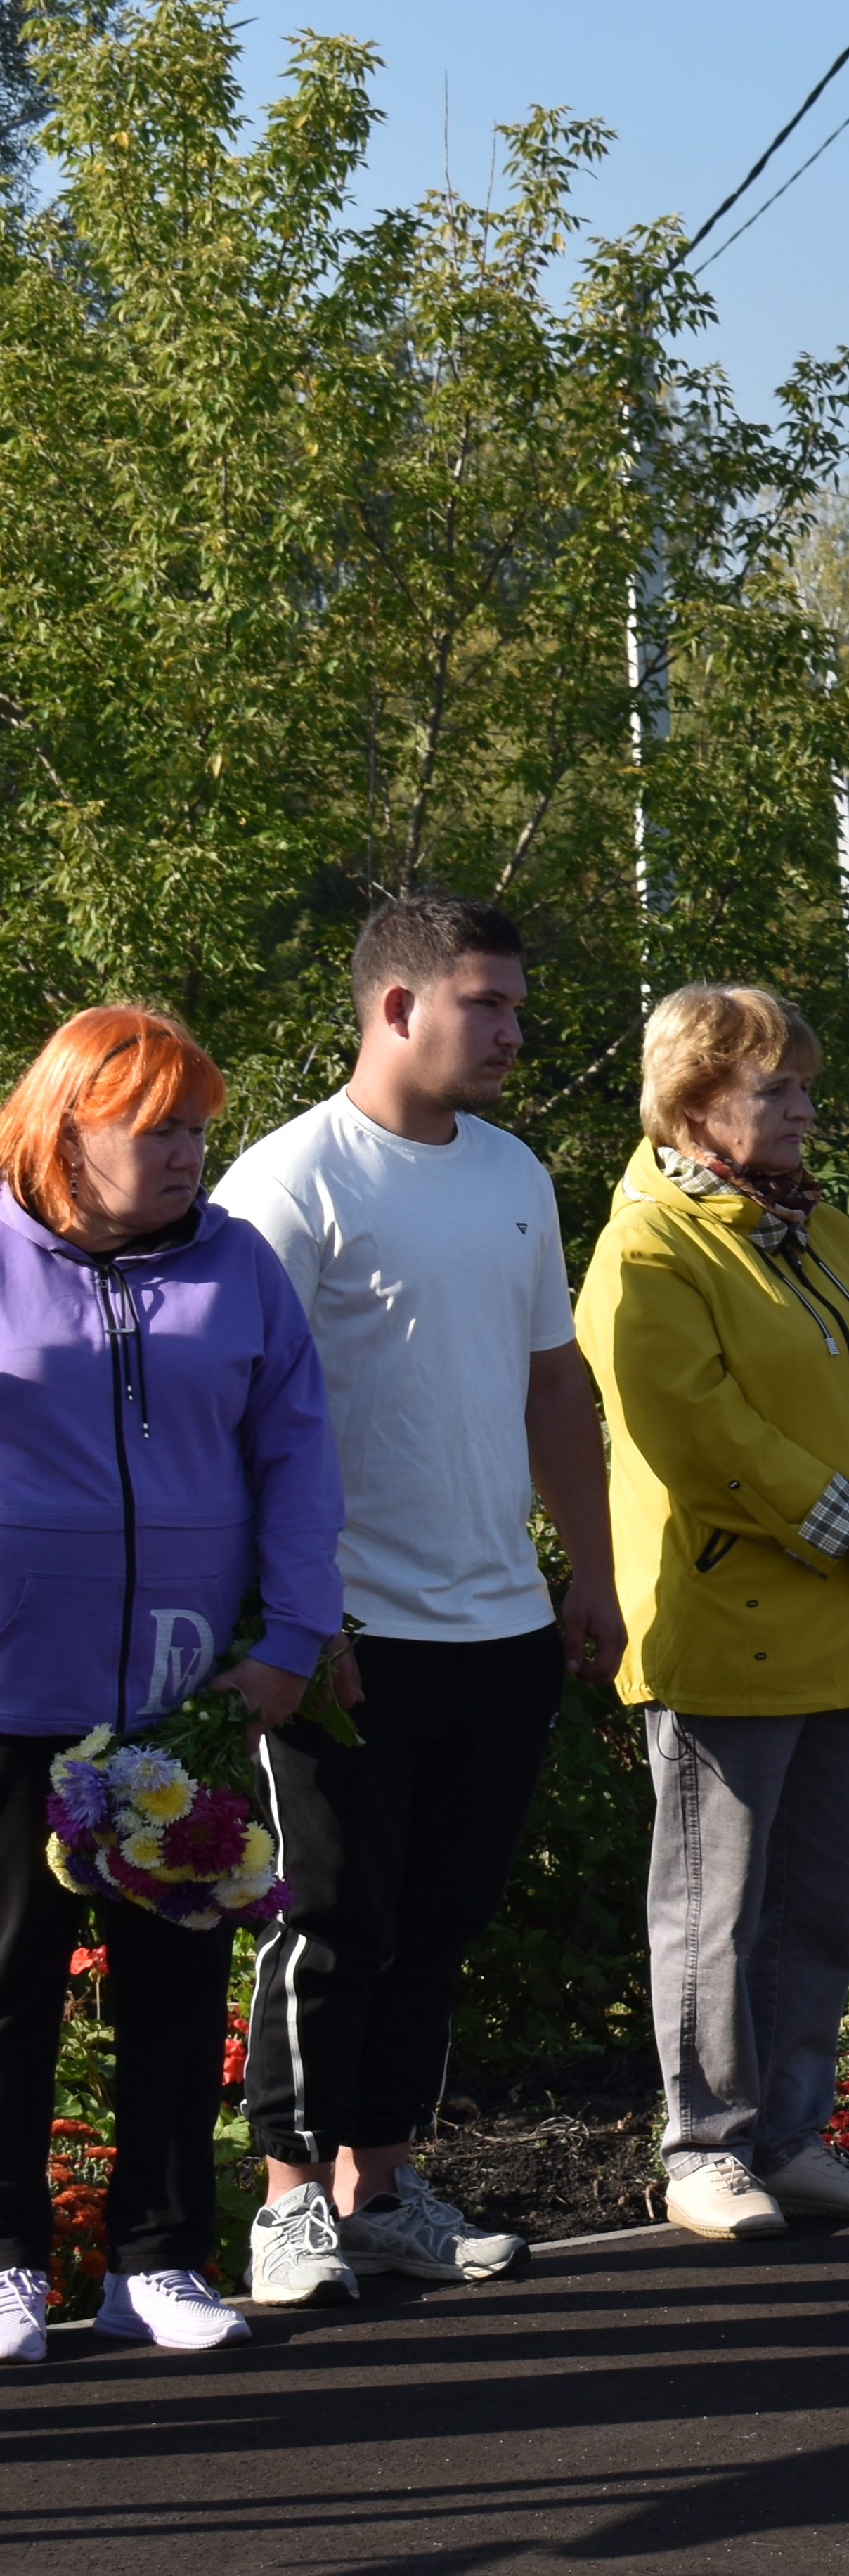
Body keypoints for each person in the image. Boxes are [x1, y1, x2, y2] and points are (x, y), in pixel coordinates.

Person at [219, 898, 611, 2310]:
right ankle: (286, 2206)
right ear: (396, 1007)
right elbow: (238, 1413)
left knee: (436, 1922)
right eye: (487, 1004)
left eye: (516, 1004)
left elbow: (554, 1383)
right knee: (330, 1915)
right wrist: (289, 1612)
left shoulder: (513, 1172)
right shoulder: (292, 1181)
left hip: (498, 1622)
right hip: (345, 1630)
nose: (515, 1030)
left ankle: (377, 2189)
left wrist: (595, 1567)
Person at [578, 984, 849, 2244]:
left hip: (847, 1628)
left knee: (814, 1904)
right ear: (694, 1107)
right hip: (728, 1627)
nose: (805, 1109)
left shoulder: (820, 1225)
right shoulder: (649, 1248)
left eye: (803, 1084)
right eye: (775, 1091)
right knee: (715, 1908)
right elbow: (698, 1434)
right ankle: (705, 2150)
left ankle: (789, 2136)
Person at [0, 1006, 342, 2360]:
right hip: (16, 1686)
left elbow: (298, 1459)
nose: (190, 1149)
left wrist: (292, 1641)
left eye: (199, 1122)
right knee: (9, 1970)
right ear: (64, 1130)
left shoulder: (239, 1266)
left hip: (184, 1690)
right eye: (156, 1127)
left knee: (177, 1977)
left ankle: (159, 2261)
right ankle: (11, 2259)